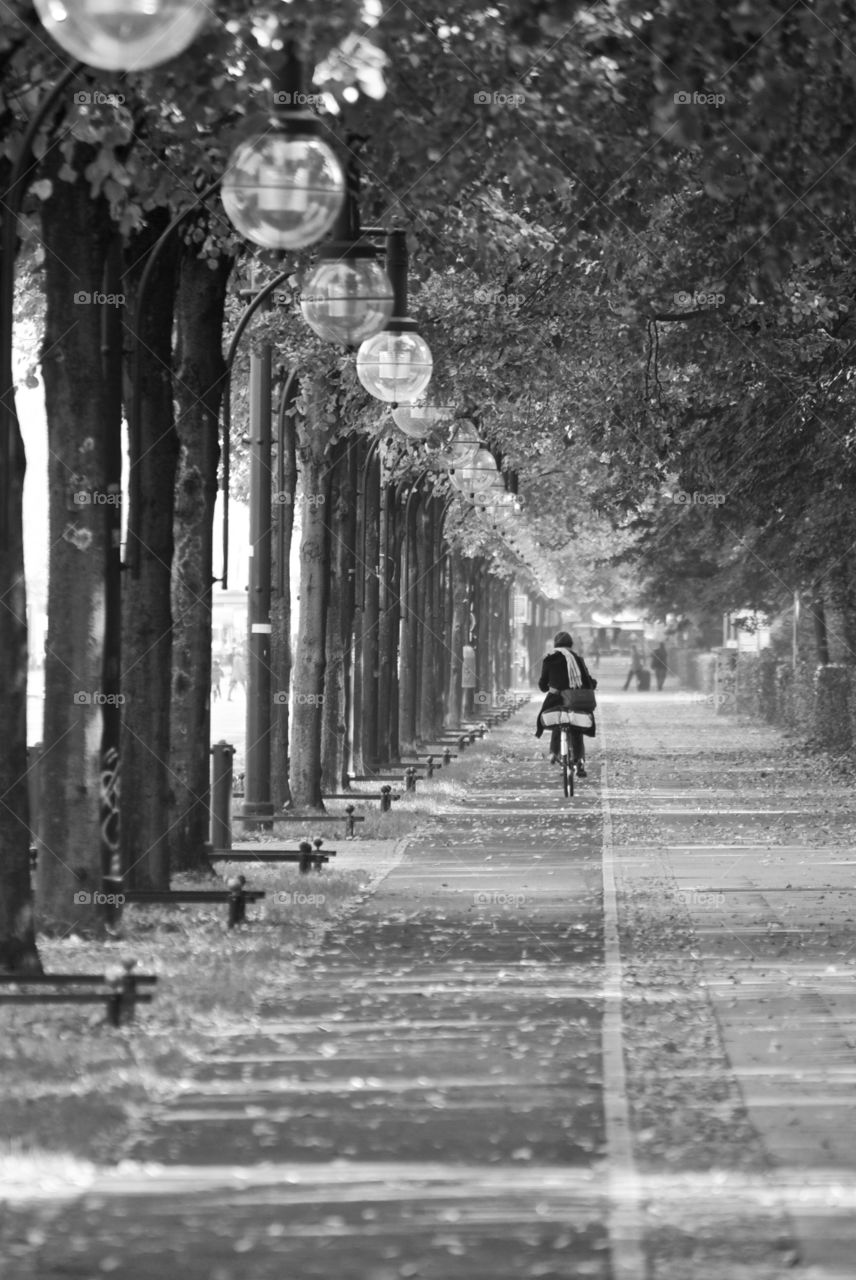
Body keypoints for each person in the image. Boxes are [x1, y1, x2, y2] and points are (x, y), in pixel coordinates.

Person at [534, 630, 597, 777]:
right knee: (577, 728)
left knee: (558, 720)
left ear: (555, 644)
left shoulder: (549, 660)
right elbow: (588, 680)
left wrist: (549, 686)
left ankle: (554, 753)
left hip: (555, 700)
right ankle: (580, 760)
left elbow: (543, 686)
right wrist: (592, 684)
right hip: (576, 701)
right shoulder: (577, 659)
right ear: (571, 644)